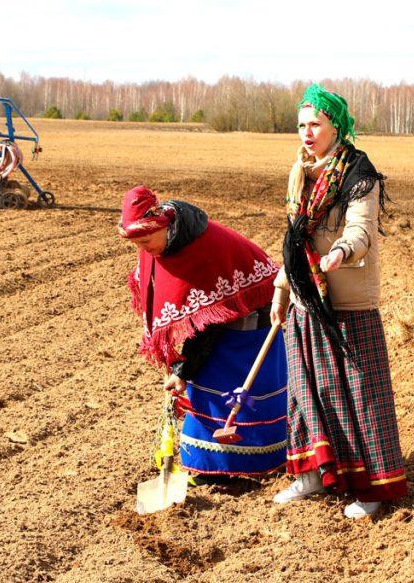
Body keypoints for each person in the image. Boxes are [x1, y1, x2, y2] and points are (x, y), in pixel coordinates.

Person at [270, 83, 407, 518]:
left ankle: (373, 488)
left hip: (347, 301)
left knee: (362, 396)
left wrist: (341, 252)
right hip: (305, 299)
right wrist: (281, 289)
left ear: (336, 127)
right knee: (305, 391)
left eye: (315, 124)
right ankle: (312, 474)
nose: (307, 133)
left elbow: (360, 231)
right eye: (301, 125)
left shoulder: (358, 173)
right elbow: (294, 240)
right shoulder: (299, 173)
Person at [120, 186, 288, 480]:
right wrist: (180, 368)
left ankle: (252, 466)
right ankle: (207, 466)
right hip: (220, 331)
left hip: (249, 333)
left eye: (146, 241)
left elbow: (209, 325)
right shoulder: (163, 244)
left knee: (240, 401)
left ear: (163, 225)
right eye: (138, 244)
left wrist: (183, 371)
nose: (144, 250)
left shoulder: (202, 251)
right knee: (206, 394)